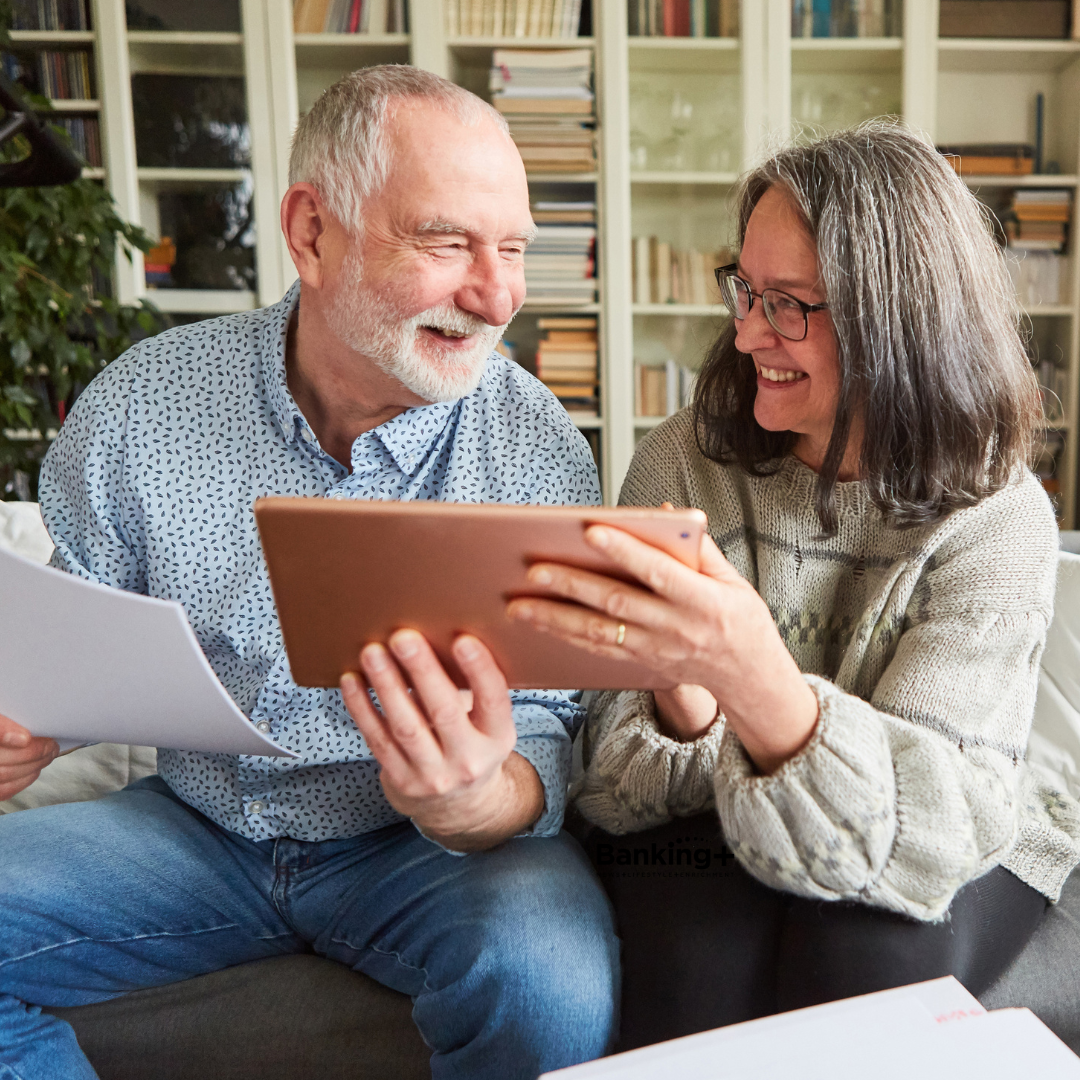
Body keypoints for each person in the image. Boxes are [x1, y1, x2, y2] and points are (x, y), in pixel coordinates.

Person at [0, 66, 618, 1080]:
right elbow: (72, 642)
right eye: (448, 241)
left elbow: (552, 724)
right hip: (199, 830)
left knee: (546, 988)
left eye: (512, 251)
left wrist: (481, 801)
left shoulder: (535, 448)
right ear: (312, 231)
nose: (498, 295)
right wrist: (25, 723)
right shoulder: (142, 406)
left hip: (424, 853)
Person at [507, 121, 1080, 1050]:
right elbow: (611, 783)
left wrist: (752, 678)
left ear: (899, 322)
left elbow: (933, 829)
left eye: (789, 304)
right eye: (744, 289)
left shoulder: (999, 514)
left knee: (866, 965)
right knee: (694, 960)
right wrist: (695, 711)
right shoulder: (683, 464)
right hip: (718, 820)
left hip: (961, 836)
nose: (745, 333)